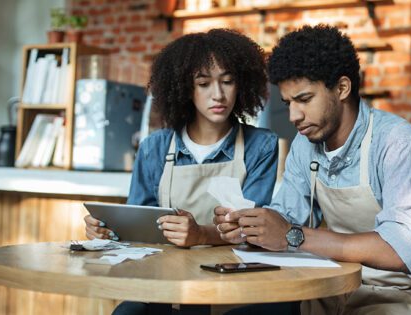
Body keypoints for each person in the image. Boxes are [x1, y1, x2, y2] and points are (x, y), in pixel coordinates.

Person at [215, 24, 411, 315]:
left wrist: (292, 235)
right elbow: (287, 218)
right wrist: (252, 227)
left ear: (342, 88)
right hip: (335, 290)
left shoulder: (397, 142)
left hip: (408, 296)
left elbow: (402, 250)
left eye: (304, 99)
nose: (293, 116)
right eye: (288, 103)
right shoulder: (305, 145)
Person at [83, 28, 279, 314]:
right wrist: (108, 232)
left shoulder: (260, 145)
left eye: (228, 81)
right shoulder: (155, 148)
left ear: (241, 85)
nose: (219, 94)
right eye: (203, 83)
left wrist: (201, 235)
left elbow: (254, 231)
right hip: (164, 283)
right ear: (186, 88)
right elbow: (138, 231)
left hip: (232, 284)